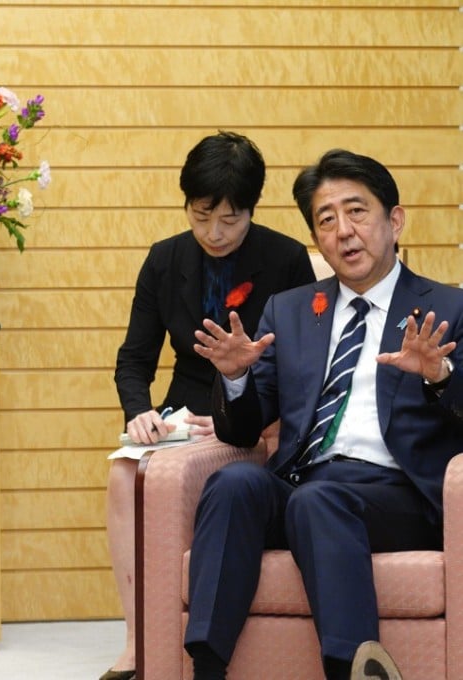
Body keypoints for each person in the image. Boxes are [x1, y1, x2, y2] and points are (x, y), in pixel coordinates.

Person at [184, 149, 463, 680]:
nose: (343, 231)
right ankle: (206, 667)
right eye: (326, 220)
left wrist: (439, 376)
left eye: (356, 212)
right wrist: (237, 377)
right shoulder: (290, 310)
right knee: (234, 484)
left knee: (321, 500)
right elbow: (244, 430)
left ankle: (353, 667)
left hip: (397, 495)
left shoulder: (448, 309)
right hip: (302, 485)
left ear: (394, 219)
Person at [102, 131, 315, 680]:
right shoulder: (164, 259)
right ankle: (137, 639)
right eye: (201, 217)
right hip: (183, 415)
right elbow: (134, 357)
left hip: (255, 416)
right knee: (125, 477)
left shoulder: (287, 260)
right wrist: (139, 411)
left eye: (230, 220)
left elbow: (300, 367)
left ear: (252, 210)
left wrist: (260, 422)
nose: (214, 233)